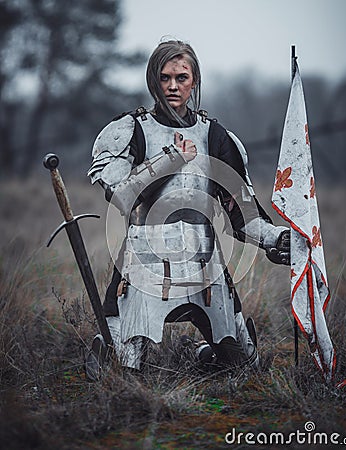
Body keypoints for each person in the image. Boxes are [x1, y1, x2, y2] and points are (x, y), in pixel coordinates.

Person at [85, 40, 290, 379]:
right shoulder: (130, 130)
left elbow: (241, 211)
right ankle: (113, 346)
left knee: (243, 367)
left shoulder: (217, 137)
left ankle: (205, 355)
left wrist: (275, 237)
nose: (172, 86)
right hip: (142, 262)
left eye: (181, 77)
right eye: (164, 77)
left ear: (194, 80)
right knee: (121, 373)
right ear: (154, 80)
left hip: (205, 265)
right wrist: (171, 160)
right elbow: (123, 196)